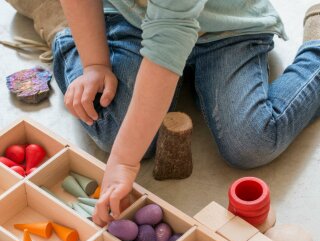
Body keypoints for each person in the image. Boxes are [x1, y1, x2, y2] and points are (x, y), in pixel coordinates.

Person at [4, 1, 320, 226]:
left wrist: (124, 162)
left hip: (227, 28)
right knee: (112, 127)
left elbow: (166, 46)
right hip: (130, 19)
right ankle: (59, 21)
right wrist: (95, 64)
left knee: (253, 141)